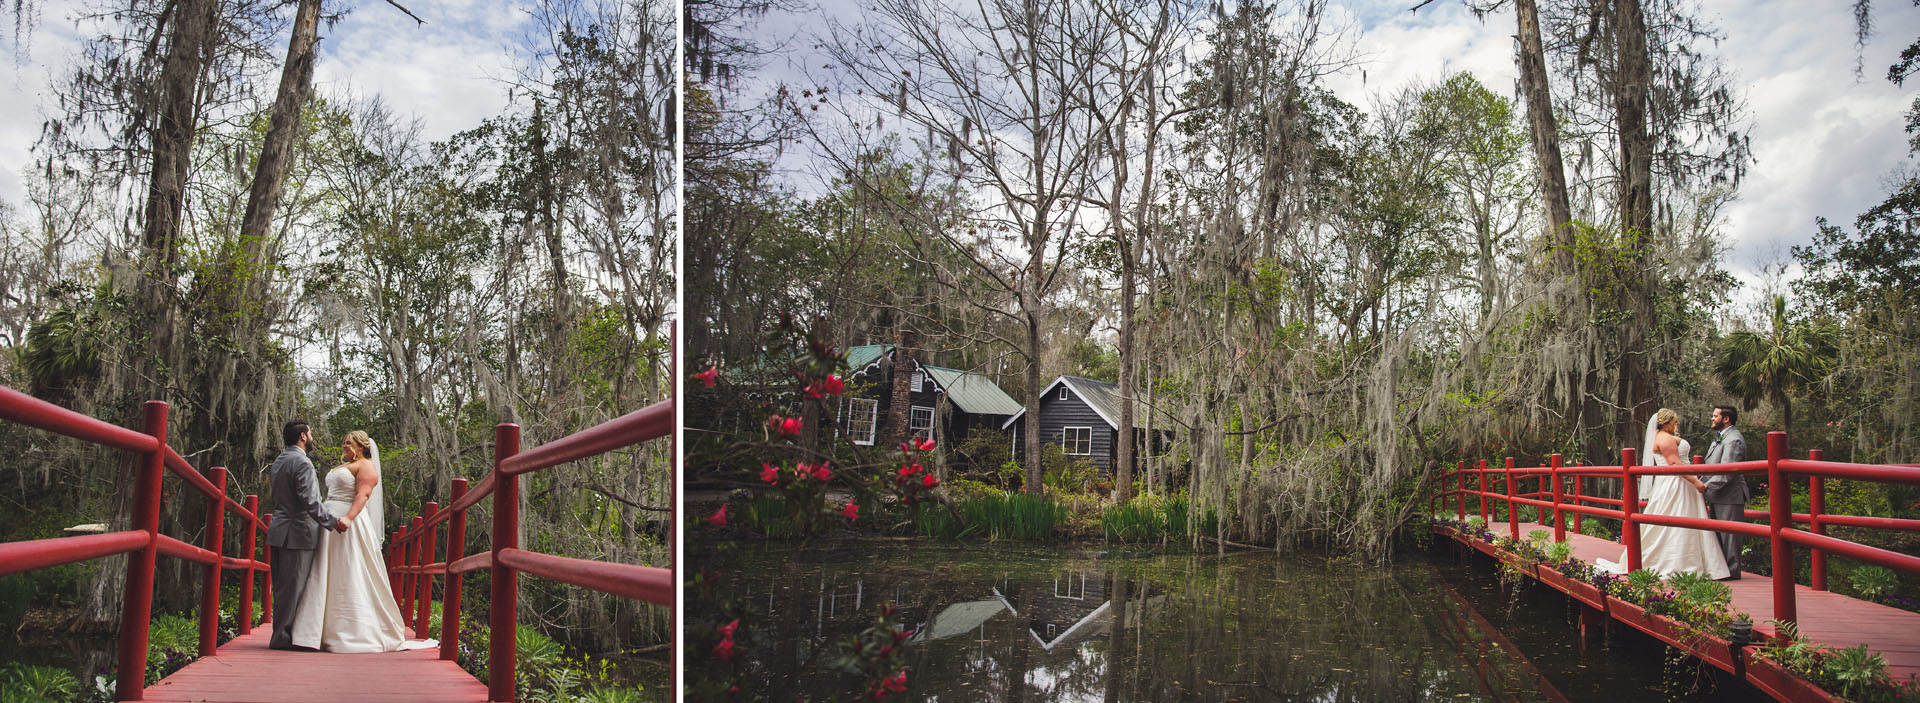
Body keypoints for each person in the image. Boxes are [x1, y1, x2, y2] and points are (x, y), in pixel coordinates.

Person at [288, 430, 435, 652]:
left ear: (361, 446)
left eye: (349, 443)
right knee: (324, 571)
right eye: (343, 443)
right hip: (328, 521)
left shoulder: (366, 466)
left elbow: (362, 495)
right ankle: (315, 630)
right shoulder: (344, 467)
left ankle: (349, 630)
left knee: (347, 570)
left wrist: (347, 518)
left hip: (349, 522)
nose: (344, 446)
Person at [1597, 408, 1729, 579]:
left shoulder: (1664, 437)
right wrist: (1696, 482)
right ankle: (1679, 563)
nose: (1677, 423)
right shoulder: (1665, 438)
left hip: (1679, 481)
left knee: (1683, 519)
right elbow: (1674, 464)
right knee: (1676, 519)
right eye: (1675, 421)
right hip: (1676, 483)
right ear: (1665, 423)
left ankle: (1691, 561)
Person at [266, 420, 347, 651]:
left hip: (279, 529)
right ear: (303, 436)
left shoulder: (280, 461)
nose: (312, 437)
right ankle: (282, 638)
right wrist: (333, 522)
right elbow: (310, 501)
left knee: (283, 587)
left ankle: (284, 634)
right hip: (297, 532)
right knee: (293, 587)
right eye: (310, 433)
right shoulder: (303, 463)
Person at [1702, 405, 1749, 580]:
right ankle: (1722, 571)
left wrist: (1705, 486)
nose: (1712, 419)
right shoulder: (1721, 438)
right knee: (1719, 535)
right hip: (1717, 495)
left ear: (1726, 419)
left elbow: (1727, 471)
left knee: (1729, 536)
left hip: (1729, 495)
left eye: (1715, 416)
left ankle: (1732, 572)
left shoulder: (1733, 440)